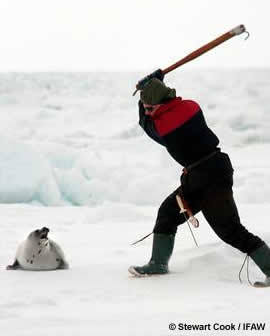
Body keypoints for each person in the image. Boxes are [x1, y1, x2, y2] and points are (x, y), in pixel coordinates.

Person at [128, 72, 270, 286]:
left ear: (161, 103)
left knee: (230, 231)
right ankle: (158, 263)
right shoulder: (190, 107)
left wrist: (142, 94)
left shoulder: (166, 126)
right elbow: (155, 110)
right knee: (168, 212)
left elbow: (145, 123)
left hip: (208, 176)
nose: (147, 111)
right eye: (146, 107)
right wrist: (155, 86)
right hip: (205, 171)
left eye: (149, 107)